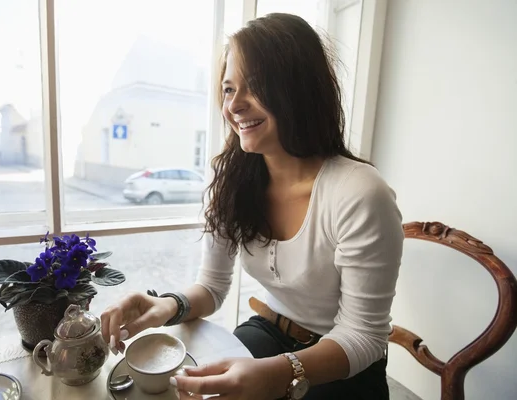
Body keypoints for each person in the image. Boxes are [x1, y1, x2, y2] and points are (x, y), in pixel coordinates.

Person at [101, 12, 404, 400]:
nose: (235, 105)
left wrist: (281, 373)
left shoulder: (359, 193)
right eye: (229, 89)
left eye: (256, 86)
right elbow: (212, 287)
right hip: (267, 332)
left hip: (342, 360)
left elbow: (364, 335)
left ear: (299, 89)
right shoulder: (228, 181)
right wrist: (164, 306)